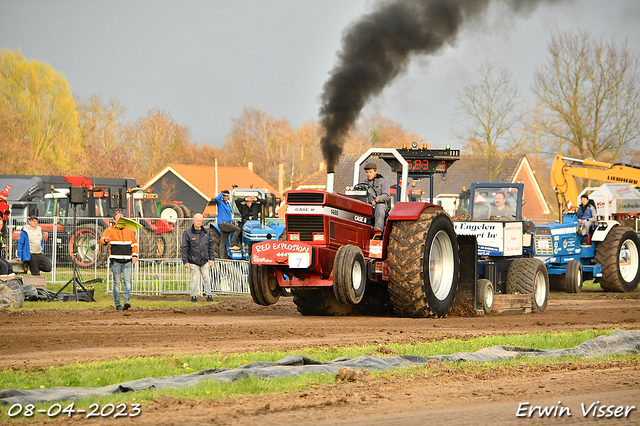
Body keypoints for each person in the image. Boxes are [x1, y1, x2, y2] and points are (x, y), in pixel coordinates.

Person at [100, 211, 138, 311]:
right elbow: (102, 240)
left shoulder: (129, 230)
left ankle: (126, 301)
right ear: (114, 220)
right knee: (116, 283)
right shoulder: (109, 230)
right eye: (119, 218)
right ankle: (117, 304)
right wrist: (105, 240)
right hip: (116, 261)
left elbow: (134, 244)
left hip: (128, 260)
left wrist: (135, 255)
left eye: (122, 217)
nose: (121, 219)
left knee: (127, 281)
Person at [181, 213, 215, 303]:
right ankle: (193, 297)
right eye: (197, 221)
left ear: (202, 221)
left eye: (200, 221)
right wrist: (185, 261)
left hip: (204, 260)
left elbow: (211, 246)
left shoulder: (206, 232)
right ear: (194, 220)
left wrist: (211, 259)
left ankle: (209, 296)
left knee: (207, 278)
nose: (199, 222)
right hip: (193, 261)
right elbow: (184, 247)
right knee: (194, 279)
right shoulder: (187, 232)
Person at [362, 163, 390, 235]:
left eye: (370, 172)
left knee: (380, 207)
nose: (368, 174)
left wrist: (379, 198)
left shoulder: (383, 182)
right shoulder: (364, 183)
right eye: (367, 172)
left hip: (379, 205)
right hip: (368, 205)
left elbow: (386, 196)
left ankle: (378, 230)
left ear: (375, 171)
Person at [214, 190, 241, 259]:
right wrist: (223, 193)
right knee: (237, 229)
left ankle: (222, 257)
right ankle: (233, 245)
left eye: (227, 196)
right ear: (223, 196)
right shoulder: (220, 202)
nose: (226, 197)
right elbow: (216, 198)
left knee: (223, 242)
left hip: (227, 223)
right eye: (224, 196)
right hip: (223, 223)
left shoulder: (228, 204)